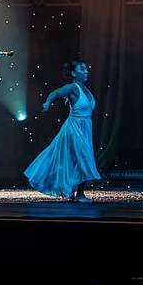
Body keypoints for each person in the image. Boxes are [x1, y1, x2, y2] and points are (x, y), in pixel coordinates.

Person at [25, 60, 100, 201]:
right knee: (82, 158)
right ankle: (80, 194)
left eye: (86, 69)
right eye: (82, 69)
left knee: (78, 158)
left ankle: (72, 192)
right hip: (74, 128)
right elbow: (56, 93)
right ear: (73, 73)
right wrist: (48, 102)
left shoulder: (86, 90)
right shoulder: (72, 87)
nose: (86, 71)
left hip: (85, 128)